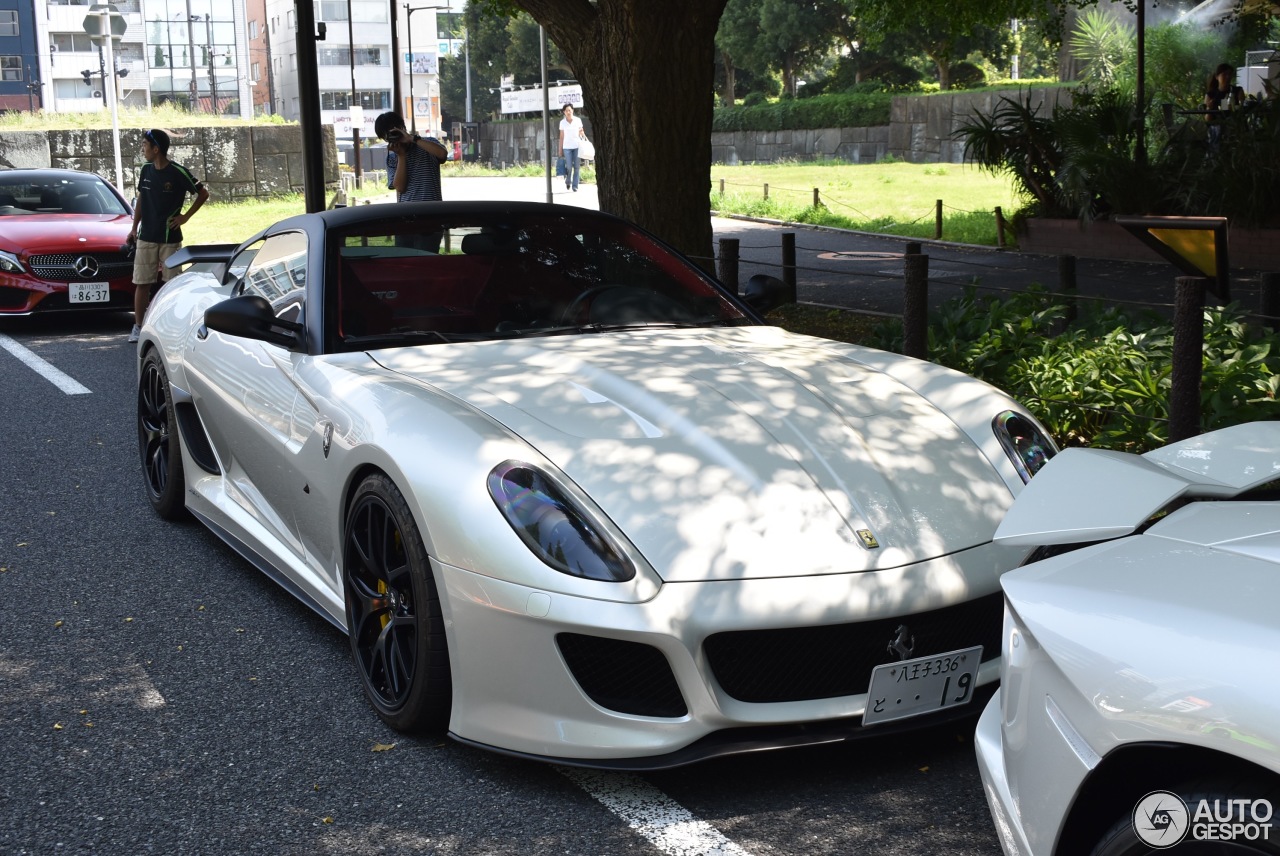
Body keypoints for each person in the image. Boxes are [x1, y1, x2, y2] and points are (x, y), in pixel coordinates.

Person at [127, 128, 208, 343]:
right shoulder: (145, 170)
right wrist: (134, 228)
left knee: (171, 284)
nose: (142, 149)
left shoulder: (178, 172)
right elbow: (141, 200)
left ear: (156, 149)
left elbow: (203, 193)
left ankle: (169, 326)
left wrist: (185, 217)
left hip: (170, 238)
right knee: (142, 282)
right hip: (146, 236)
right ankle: (138, 326)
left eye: (145, 145)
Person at [558, 103, 586, 192]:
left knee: (577, 167)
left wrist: (581, 132)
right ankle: (568, 181)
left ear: (572, 110)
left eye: (570, 110)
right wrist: (560, 150)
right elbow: (561, 137)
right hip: (567, 147)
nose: (568, 112)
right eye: (566, 111)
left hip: (577, 146)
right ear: (564, 112)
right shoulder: (562, 123)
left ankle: (575, 186)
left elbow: (581, 133)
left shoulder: (578, 120)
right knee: (569, 167)